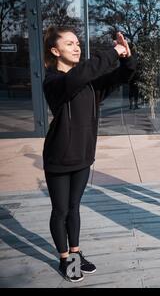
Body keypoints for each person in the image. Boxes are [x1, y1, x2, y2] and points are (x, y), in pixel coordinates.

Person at [42, 26, 136, 282]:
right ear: (55, 50)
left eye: (78, 43)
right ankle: (65, 260)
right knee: (60, 211)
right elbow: (78, 76)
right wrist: (112, 51)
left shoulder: (90, 84)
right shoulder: (54, 82)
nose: (77, 47)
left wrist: (126, 57)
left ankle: (76, 252)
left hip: (83, 157)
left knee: (74, 208)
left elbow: (123, 76)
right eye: (70, 43)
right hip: (59, 158)